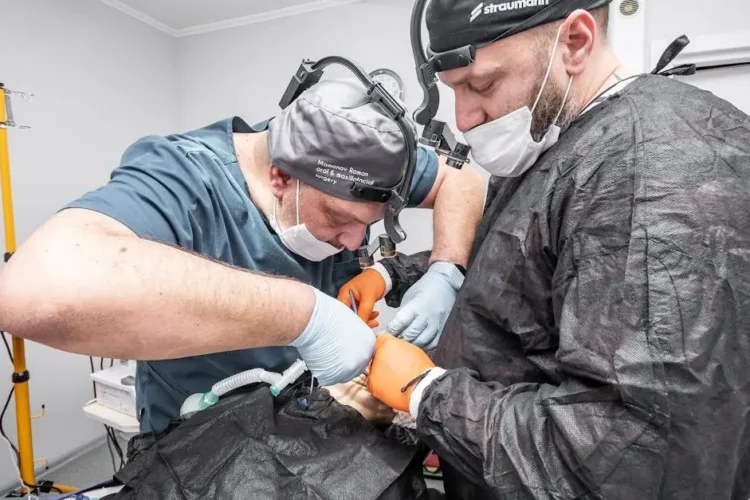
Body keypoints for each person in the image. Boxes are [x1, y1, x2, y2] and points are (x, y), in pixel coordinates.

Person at [366, 1, 750, 499]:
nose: (464, 119)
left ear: (575, 43)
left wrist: (426, 394)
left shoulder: (649, 168)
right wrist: (400, 275)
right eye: (452, 91)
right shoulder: (564, 143)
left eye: (480, 85)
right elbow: (522, 255)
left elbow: (624, 462)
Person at [0, 78, 484, 433]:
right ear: (280, 177)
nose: (356, 242)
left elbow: (461, 179)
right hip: (199, 436)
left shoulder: (361, 153)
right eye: (339, 219)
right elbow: (34, 290)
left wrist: (445, 270)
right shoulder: (183, 179)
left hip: (305, 423)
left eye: (370, 221)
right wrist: (306, 316)